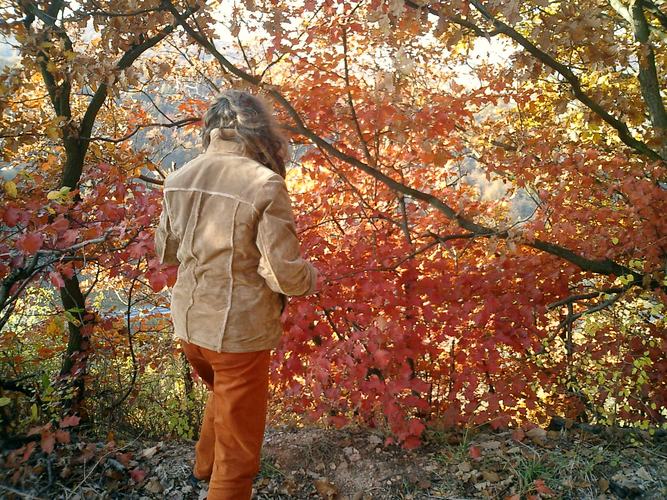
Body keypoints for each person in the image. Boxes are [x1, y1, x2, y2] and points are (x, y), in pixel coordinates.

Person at [154, 89, 318, 500]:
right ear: (259, 132)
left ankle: (203, 466)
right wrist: (312, 278)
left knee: (225, 395)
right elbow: (282, 273)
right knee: (240, 454)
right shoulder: (264, 184)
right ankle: (221, 480)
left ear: (210, 131)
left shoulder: (178, 179)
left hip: (190, 326)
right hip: (239, 332)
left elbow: (166, 252)